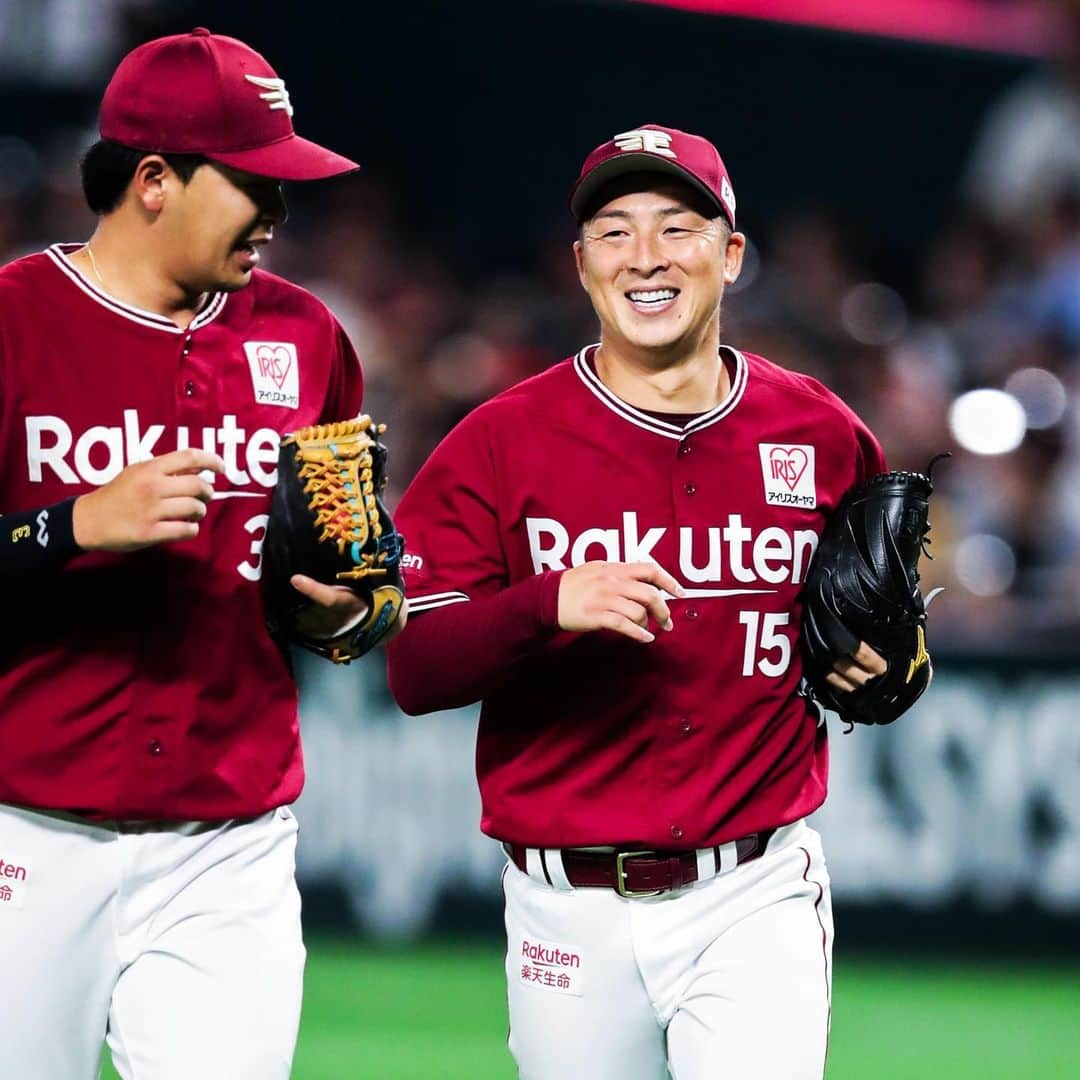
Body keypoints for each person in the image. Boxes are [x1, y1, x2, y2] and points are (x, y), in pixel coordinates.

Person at [387, 124, 886, 1079]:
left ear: (731, 254)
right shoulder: (498, 441)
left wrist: (892, 664)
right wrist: (547, 603)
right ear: (580, 266)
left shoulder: (823, 433)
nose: (645, 257)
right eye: (613, 233)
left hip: (755, 889)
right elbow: (414, 668)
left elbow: (874, 629)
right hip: (566, 905)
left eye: (676, 227)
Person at [0, 28, 402, 1080]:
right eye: (252, 180)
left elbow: (363, 573)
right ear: (152, 181)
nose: (278, 209)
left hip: (231, 847)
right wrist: (70, 527)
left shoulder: (310, 338)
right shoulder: (13, 322)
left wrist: (356, 611)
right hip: (26, 836)